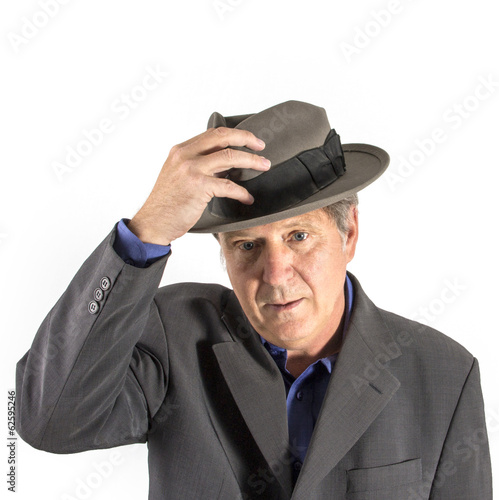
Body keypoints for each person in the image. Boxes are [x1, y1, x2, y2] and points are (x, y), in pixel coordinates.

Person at [16, 100, 492, 499]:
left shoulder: (443, 374)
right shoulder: (173, 335)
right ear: (222, 253)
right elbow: (49, 419)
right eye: (247, 246)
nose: (276, 274)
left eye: (299, 236)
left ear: (349, 235)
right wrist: (147, 230)